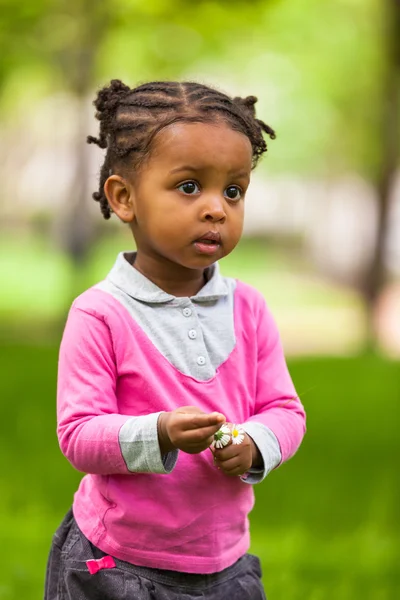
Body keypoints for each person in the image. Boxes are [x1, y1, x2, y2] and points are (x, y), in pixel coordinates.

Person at [45, 79, 306, 600]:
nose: (216, 209)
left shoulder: (248, 309)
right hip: (118, 562)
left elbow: (285, 409)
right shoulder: (100, 314)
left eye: (233, 190)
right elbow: (78, 434)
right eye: (190, 187)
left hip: (223, 563)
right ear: (124, 198)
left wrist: (257, 444)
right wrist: (159, 431)